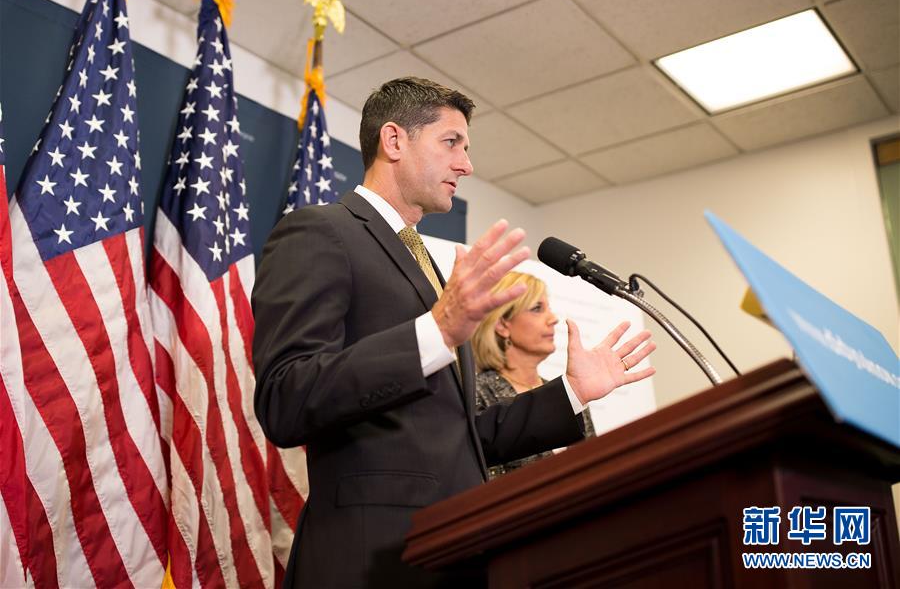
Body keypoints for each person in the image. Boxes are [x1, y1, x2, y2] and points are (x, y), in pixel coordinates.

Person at [252, 77, 656, 588]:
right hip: (371, 561)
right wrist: (436, 330)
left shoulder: (426, 263)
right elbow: (286, 398)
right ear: (394, 141)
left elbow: (459, 435)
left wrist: (573, 392)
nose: (467, 165)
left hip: (450, 552)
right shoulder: (320, 232)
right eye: (451, 143)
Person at [472, 272, 597, 478]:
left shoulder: (569, 394)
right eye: (537, 309)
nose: (553, 319)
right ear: (502, 325)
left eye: (549, 308)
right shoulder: (478, 392)